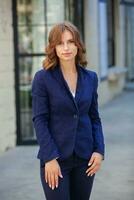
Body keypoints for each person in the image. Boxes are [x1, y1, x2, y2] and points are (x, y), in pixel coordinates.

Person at [32, 21, 105, 200]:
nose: (66, 47)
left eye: (71, 42)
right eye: (60, 43)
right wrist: (49, 158)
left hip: (85, 158)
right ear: (53, 47)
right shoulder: (43, 79)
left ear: (78, 45)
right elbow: (39, 120)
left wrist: (99, 150)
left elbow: (94, 117)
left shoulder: (91, 78)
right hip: (55, 159)